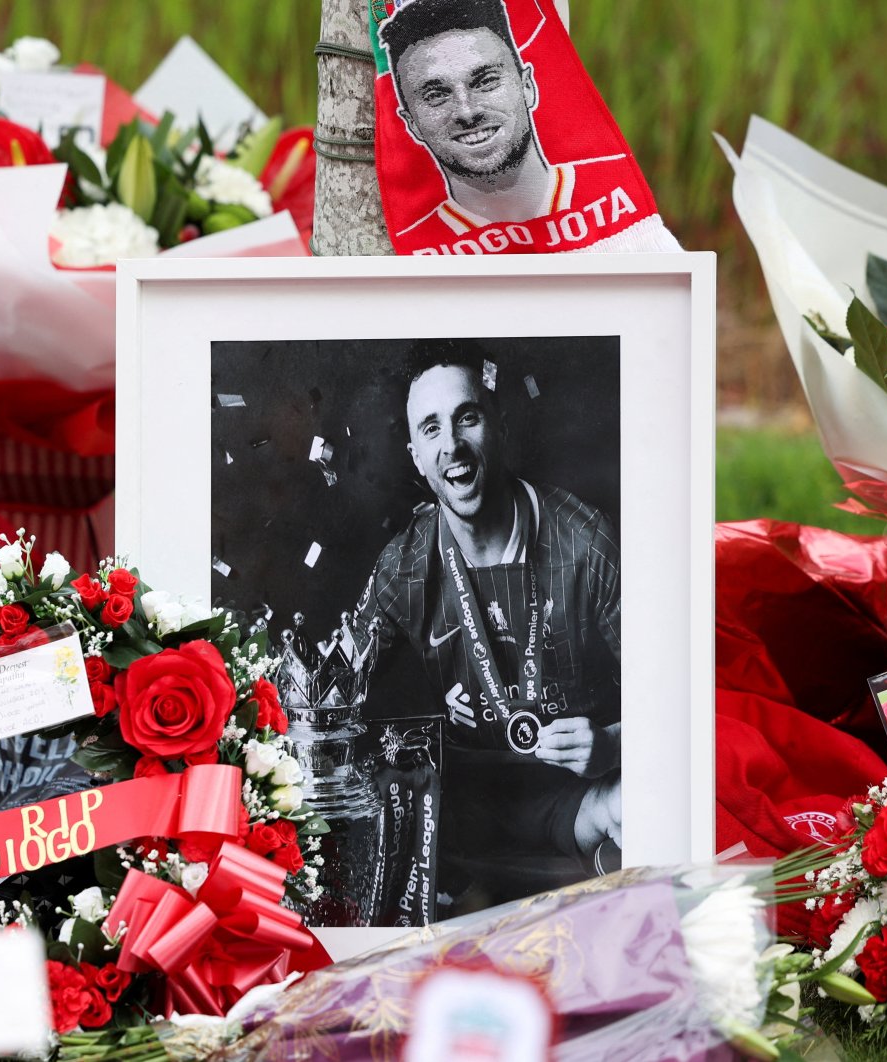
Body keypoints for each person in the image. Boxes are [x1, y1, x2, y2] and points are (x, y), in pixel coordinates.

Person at [349, 340, 621, 911]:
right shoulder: (402, 566)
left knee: (647, 801)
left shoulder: (586, 541)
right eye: (430, 430)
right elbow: (340, 701)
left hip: (578, 799)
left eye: (466, 417)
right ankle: (477, 898)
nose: (452, 446)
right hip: (461, 816)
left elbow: (676, 696)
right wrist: (426, 716)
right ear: (417, 458)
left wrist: (612, 744)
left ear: (497, 423)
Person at [378, 0, 638, 244]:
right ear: (411, 122)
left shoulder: (615, 198)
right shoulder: (412, 239)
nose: (467, 112)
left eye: (485, 81)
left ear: (527, 86)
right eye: (436, 95)